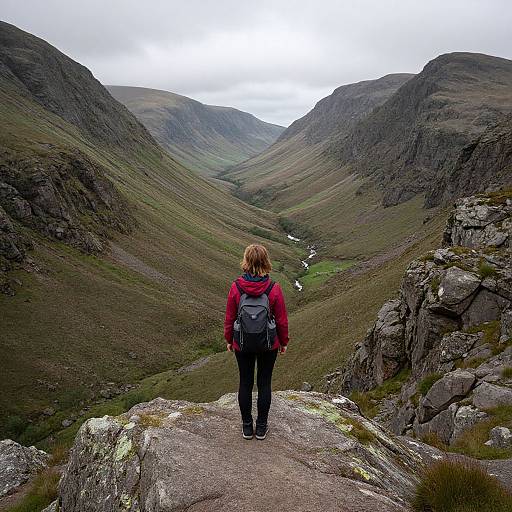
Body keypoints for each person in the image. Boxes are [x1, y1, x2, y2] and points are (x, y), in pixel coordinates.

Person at [224, 243, 289, 440]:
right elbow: (281, 320)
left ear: (246, 262)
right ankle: (261, 428)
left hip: (242, 343)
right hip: (268, 344)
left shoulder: (236, 287)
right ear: (266, 262)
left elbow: (229, 317)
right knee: (264, 383)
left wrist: (229, 340)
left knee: (245, 383)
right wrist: (283, 342)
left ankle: (246, 427)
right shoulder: (273, 288)